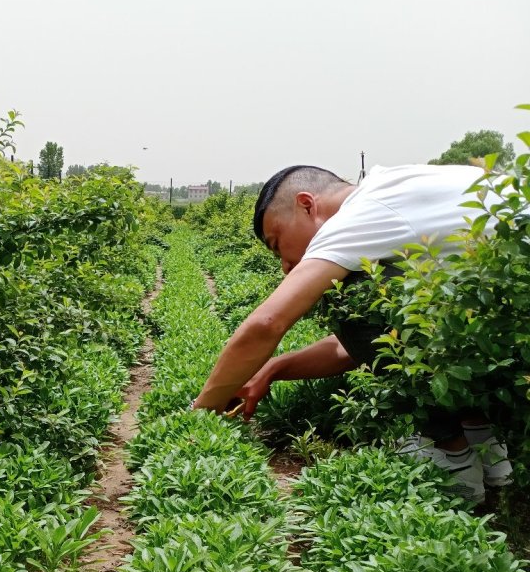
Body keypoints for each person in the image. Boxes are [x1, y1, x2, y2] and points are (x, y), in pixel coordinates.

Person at [191, 163, 512, 501]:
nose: (285, 264)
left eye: (277, 243)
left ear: (306, 204)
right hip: (509, 333)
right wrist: (272, 369)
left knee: (350, 294)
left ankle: (450, 458)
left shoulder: (356, 215)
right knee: (392, 305)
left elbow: (267, 323)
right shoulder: (395, 188)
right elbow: (360, 346)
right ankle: (485, 443)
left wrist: (201, 413)